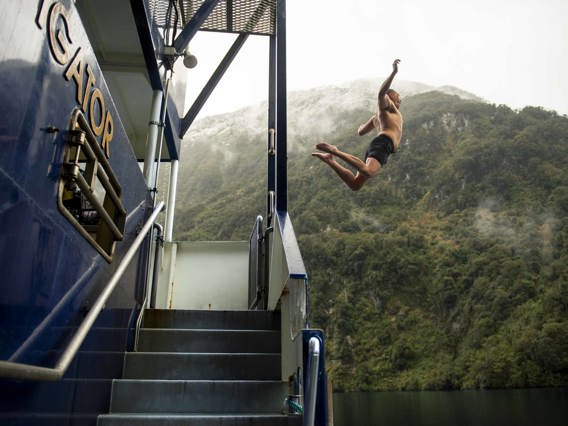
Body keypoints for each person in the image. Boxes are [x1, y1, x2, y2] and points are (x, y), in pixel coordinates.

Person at [312, 59, 403, 191]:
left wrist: (363, 124)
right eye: (397, 97)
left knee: (355, 184)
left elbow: (360, 132)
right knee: (368, 171)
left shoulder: (376, 117)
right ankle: (334, 151)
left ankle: (330, 160)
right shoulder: (390, 107)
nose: (400, 100)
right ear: (389, 98)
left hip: (380, 145)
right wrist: (394, 72)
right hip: (384, 144)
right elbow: (381, 93)